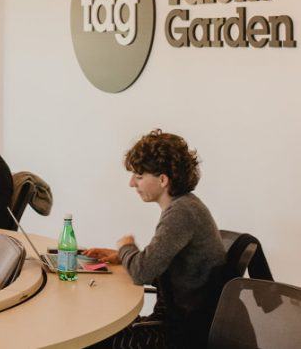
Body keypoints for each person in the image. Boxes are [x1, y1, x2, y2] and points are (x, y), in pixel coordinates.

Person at [85, 130, 226, 349]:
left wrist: (126, 246)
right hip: (176, 322)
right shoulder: (185, 206)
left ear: (162, 179)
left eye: (139, 176)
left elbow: (142, 272)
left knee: (90, 339)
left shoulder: (181, 213)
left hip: (176, 333)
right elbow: (160, 265)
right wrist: (122, 257)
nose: (132, 183)